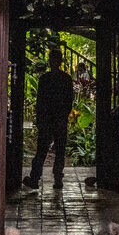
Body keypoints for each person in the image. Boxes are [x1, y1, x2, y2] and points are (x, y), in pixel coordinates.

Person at [22, 47, 74, 190]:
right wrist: (62, 116)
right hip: (58, 119)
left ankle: (35, 178)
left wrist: (41, 119)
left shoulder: (45, 79)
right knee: (58, 150)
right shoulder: (65, 79)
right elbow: (69, 101)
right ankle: (57, 179)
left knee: (43, 150)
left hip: (49, 119)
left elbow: (40, 102)